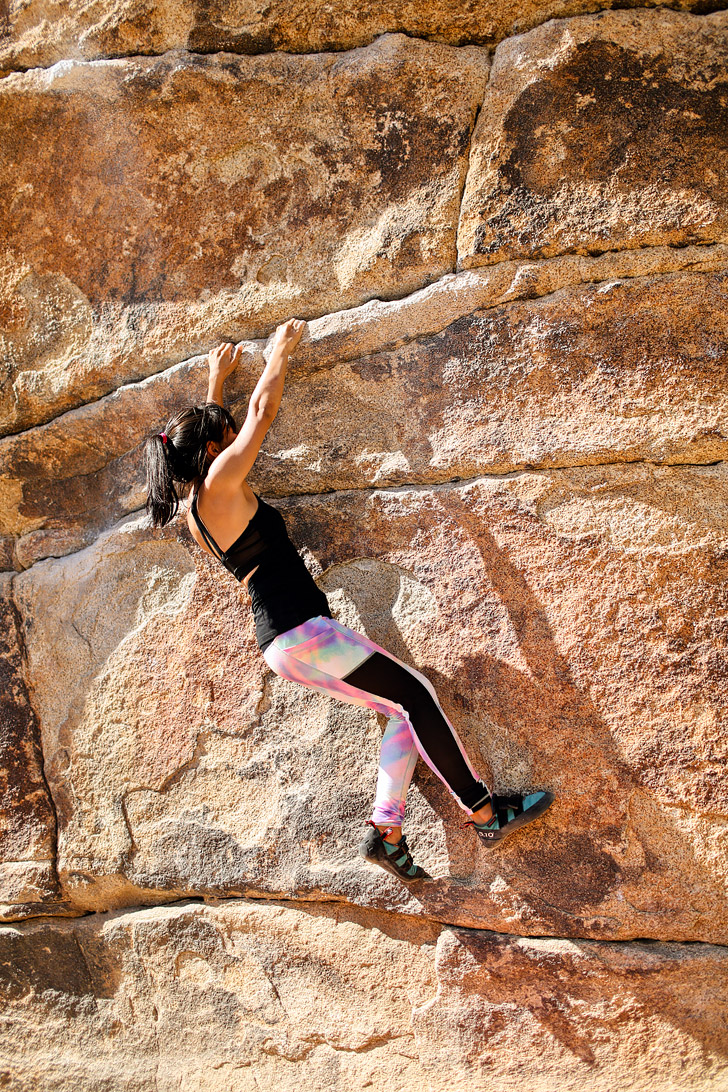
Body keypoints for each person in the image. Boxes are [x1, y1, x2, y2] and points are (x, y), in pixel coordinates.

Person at [144, 320, 554, 881]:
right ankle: (484, 810)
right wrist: (276, 356)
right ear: (213, 451)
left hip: (285, 641)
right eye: (225, 434)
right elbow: (260, 416)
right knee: (417, 695)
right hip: (300, 631)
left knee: (403, 706)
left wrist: (215, 381)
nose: (237, 437)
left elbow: (212, 438)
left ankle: (386, 831)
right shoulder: (219, 484)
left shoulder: (198, 508)